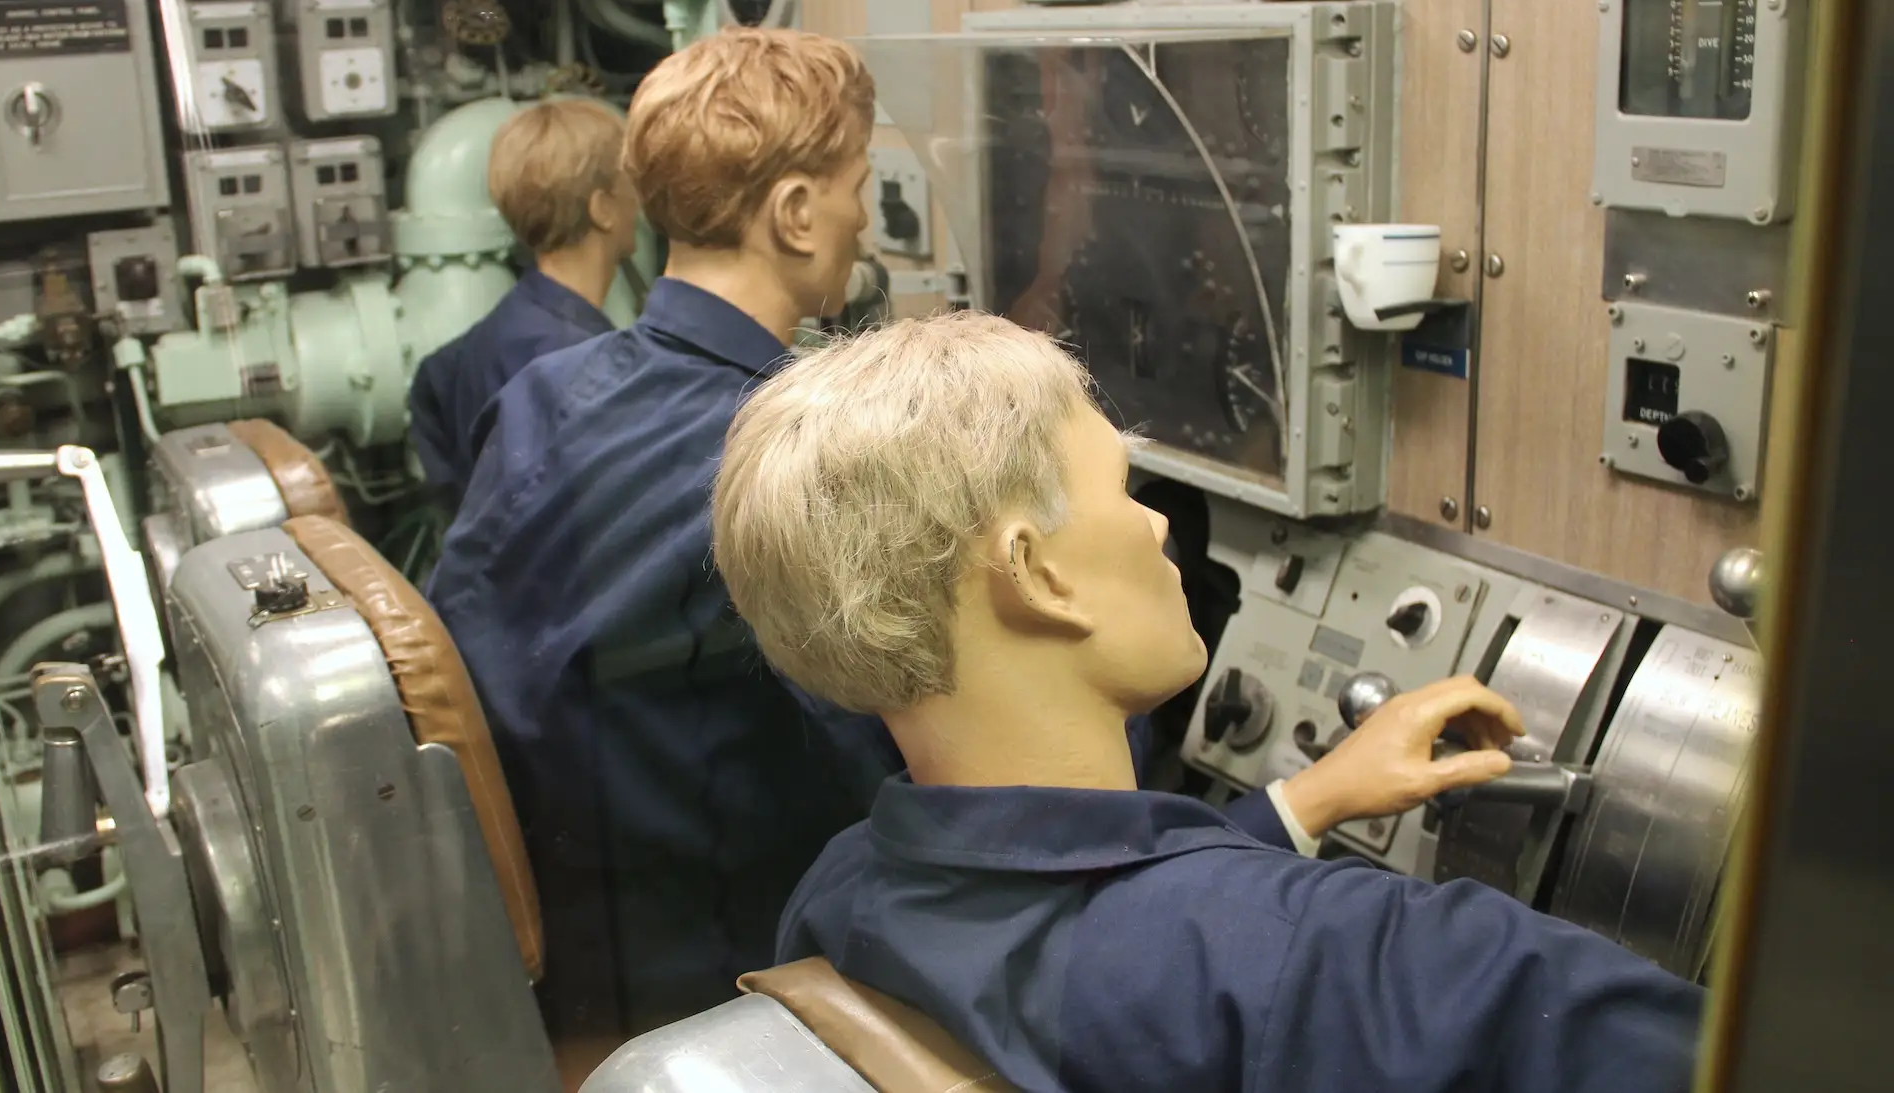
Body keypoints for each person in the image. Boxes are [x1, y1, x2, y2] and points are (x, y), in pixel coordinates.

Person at [711, 312, 1708, 1093]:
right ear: (1038, 574)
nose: (1154, 528)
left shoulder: (838, 892)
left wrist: (1304, 801)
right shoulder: (1362, 959)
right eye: (1122, 488)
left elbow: (1096, 932)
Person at [424, 28, 900, 1050]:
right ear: (798, 213)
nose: (868, 217)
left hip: (561, 969)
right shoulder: (790, 457)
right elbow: (901, 780)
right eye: (860, 184)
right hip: (719, 990)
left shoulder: (540, 395)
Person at [407, 97, 639, 506]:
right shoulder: (590, 365)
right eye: (629, 185)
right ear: (603, 208)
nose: (639, 201)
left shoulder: (474, 347)